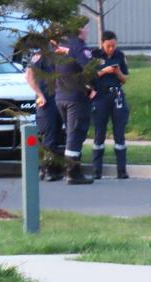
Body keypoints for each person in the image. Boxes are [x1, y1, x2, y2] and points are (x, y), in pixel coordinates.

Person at [54, 21, 95, 185]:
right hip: (76, 98)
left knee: (71, 132)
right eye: (85, 27)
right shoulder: (78, 47)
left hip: (60, 95)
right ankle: (72, 172)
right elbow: (89, 68)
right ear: (79, 30)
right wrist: (91, 86)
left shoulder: (60, 46)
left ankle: (71, 169)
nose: (87, 30)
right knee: (76, 133)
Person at [91, 30, 130, 179]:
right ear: (102, 44)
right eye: (108, 46)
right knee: (99, 132)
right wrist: (104, 71)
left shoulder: (119, 56)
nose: (111, 49)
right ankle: (96, 170)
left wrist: (117, 71)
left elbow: (124, 79)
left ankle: (122, 170)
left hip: (116, 95)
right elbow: (89, 76)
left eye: (113, 45)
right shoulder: (94, 55)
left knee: (119, 132)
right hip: (100, 96)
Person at [25, 43, 65, 182]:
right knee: (48, 135)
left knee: (56, 135)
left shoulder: (61, 53)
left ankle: (48, 168)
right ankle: (47, 169)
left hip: (59, 99)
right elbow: (29, 76)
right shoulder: (41, 55)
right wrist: (40, 95)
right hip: (46, 102)